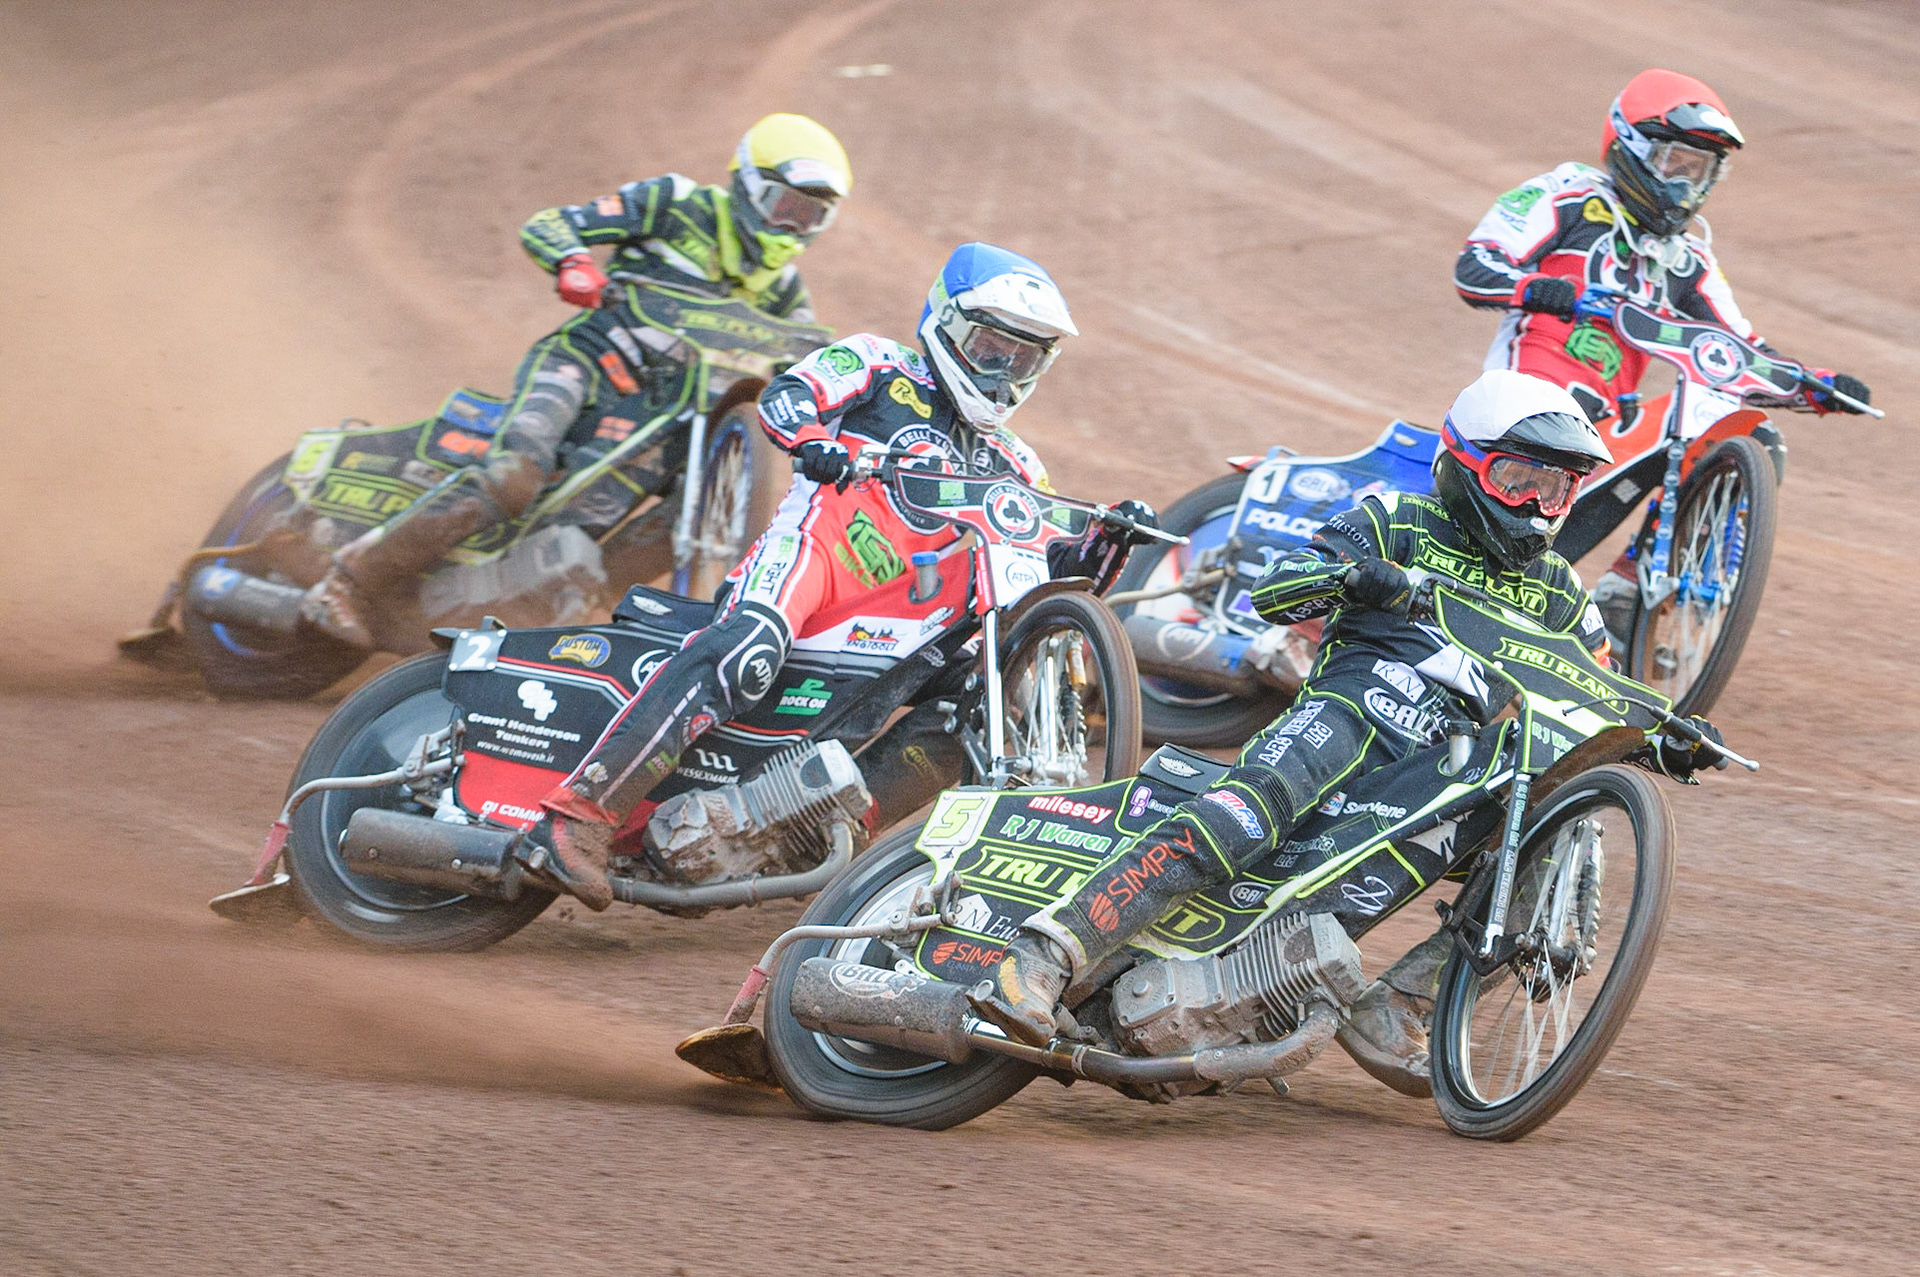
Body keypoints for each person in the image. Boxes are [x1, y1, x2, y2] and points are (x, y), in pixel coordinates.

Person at [972, 370, 1674, 1095]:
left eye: (1556, 489)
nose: (1537, 505)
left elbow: (1599, 688)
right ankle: (1042, 954)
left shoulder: (1561, 592)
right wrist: (1357, 579)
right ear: (1463, 463)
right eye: (1518, 478)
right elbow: (1274, 588)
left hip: (1441, 771)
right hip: (1350, 715)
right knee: (1243, 813)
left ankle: (1403, 1006)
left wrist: (1663, 731)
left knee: (1561, 834)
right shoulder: (1398, 518)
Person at [522, 242, 1157, 910]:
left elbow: (1052, 588)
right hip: (819, 559)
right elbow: (788, 397)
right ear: (946, 321)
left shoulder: (1019, 463)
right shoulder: (881, 365)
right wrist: (814, 443)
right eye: (993, 347)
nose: (1005, 371)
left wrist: (1108, 540)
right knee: (747, 651)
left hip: (908, 631)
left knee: (976, 709)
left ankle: (819, 842)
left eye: (1025, 357)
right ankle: (578, 818)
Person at [300, 113, 854, 648]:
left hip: (665, 419)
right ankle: (345, 582)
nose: (791, 229)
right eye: (786, 207)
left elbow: (803, 366)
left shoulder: (783, 291)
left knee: (680, 517)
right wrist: (573, 262)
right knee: (516, 477)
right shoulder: (674, 204)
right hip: (587, 363)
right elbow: (553, 223)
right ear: (749, 185)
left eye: (809, 218)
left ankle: (543, 615)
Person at [1453, 68, 1872, 645]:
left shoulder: (1688, 257)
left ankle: (1627, 591)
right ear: (1631, 145)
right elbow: (1475, 266)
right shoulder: (1569, 194)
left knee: (1751, 434)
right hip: (1516, 416)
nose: (1685, 184)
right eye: (1676, 161)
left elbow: (1735, 350)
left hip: (1602, 437)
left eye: (1699, 170)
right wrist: (1538, 289)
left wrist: (1815, 384)